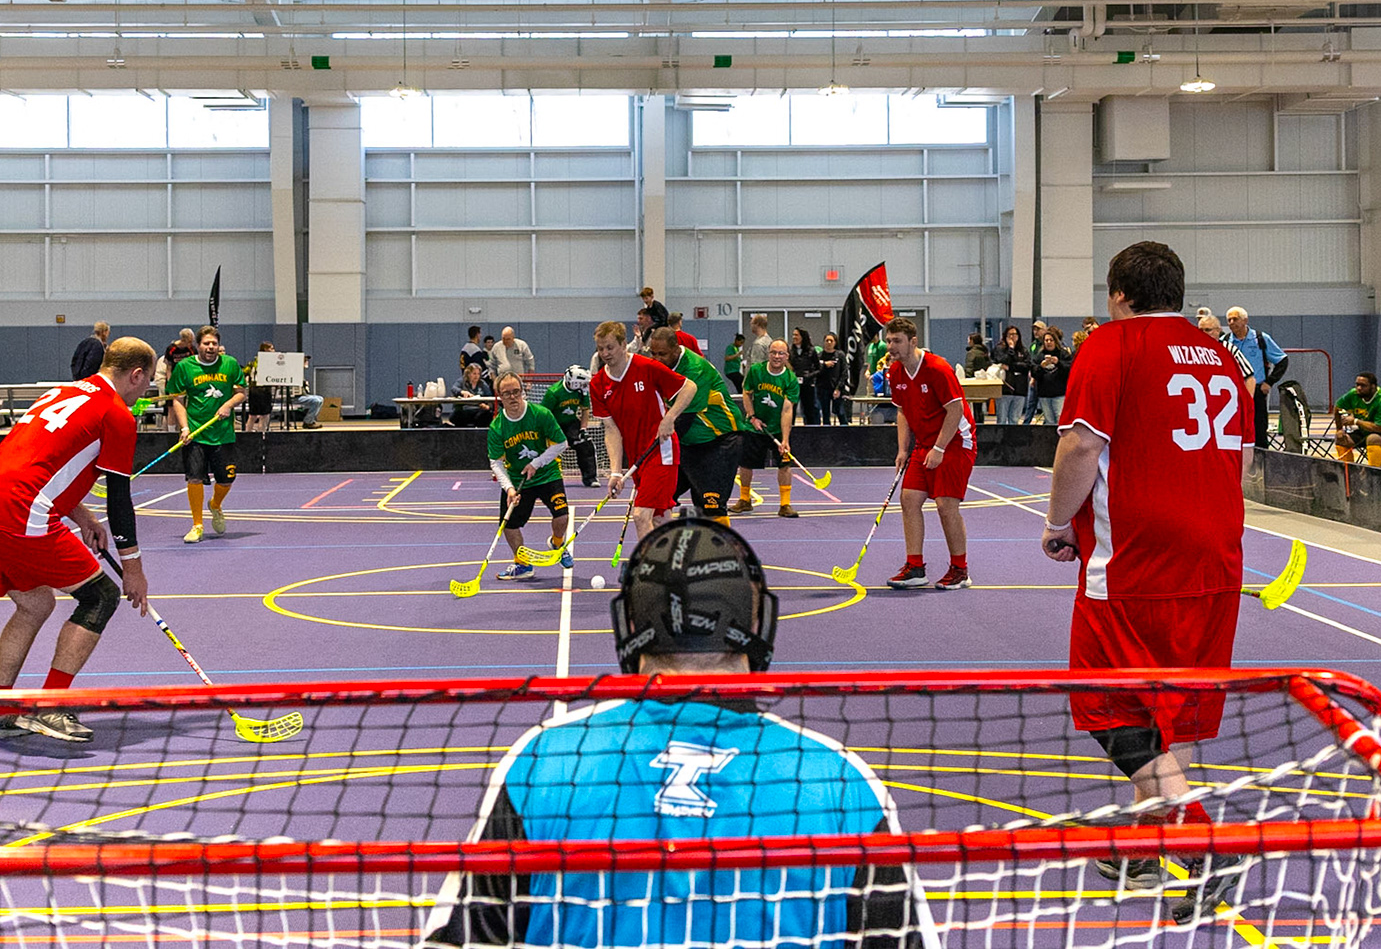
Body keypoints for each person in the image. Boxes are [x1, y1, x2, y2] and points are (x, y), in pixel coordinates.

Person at [422, 520, 937, 949]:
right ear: (758, 626)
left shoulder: (546, 762)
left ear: (629, 628)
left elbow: (462, 937)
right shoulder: (839, 781)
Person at [1040, 241, 1251, 925]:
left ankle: (1197, 842)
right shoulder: (1222, 355)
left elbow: (1079, 446)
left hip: (1136, 559)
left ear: (1118, 295)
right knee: (1175, 705)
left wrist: (1059, 521)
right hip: (1215, 557)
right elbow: (1241, 460)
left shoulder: (1112, 345)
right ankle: (1140, 841)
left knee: (1106, 703)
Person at [0, 337, 157, 743]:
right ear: (135, 375)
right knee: (100, 596)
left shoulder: (63, 392)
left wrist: (81, 513)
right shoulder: (117, 414)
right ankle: (51, 706)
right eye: (149, 382)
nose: (147, 391)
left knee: (35, 604)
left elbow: (39, 457)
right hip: (22, 512)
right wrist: (133, 569)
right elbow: (120, 500)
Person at [882, 317, 974, 592]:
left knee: (946, 505)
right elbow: (902, 411)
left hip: (955, 441)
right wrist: (902, 449)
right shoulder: (895, 372)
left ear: (913, 341)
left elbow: (955, 410)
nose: (891, 346)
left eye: (896, 341)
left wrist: (939, 448)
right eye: (888, 340)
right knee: (909, 499)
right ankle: (915, 567)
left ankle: (960, 569)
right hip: (924, 443)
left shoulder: (937, 368)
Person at [590, 320, 695, 541]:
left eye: (610, 347)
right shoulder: (598, 384)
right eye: (600, 349)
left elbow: (689, 387)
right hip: (637, 457)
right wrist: (616, 472)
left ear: (623, 344)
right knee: (660, 518)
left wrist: (669, 417)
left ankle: (647, 569)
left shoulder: (646, 367)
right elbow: (612, 431)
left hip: (661, 450)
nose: (605, 353)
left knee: (641, 515)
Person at [649, 327, 750, 526]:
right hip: (690, 443)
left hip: (720, 440)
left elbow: (683, 421)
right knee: (656, 499)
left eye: (663, 354)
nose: (657, 359)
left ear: (676, 350)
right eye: (653, 354)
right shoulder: (657, 368)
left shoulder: (695, 370)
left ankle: (721, 554)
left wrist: (651, 451)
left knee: (711, 507)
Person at [487, 371, 574, 583]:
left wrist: (536, 463)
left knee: (562, 516)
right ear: (500, 396)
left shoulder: (541, 414)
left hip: (547, 474)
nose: (513, 397)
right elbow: (496, 463)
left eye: (516, 391)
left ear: (523, 391)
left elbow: (562, 444)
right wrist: (509, 488)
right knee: (509, 525)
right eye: (507, 393)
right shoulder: (497, 427)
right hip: (518, 480)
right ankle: (522, 564)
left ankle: (557, 543)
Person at [167, 325, 246, 544]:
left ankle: (216, 505)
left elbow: (241, 392)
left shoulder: (229, 364)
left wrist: (229, 404)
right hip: (195, 433)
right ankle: (197, 525)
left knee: (227, 479)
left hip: (222, 433)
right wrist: (184, 428)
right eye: (206, 343)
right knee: (194, 478)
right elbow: (178, 400)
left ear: (218, 345)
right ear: (197, 346)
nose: (210, 347)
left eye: (214, 343)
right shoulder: (185, 367)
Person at [738, 337, 800, 517]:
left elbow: (787, 410)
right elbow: (747, 393)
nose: (777, 356)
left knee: (784, 464)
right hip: (755, 426)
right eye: (773, 352)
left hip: (778, 427)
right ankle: (744, 500)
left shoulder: (790, 379)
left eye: (781, 353)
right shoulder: (756, 371)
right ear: (768, 354)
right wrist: (752, 416)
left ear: (787, 356)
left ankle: (785, 505)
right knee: (746, 463)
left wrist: (785, 440)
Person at [1224, 307, 1287, 450]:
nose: (1232, 323)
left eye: (1235, 319)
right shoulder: (1225, 341)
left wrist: (1269, 381)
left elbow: (1282, 360)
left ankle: (1261, 465)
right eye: (1229, 320)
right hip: (1233, 393)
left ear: (1245, 320)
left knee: (1259, 429)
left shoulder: (1260, 339)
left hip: (1257, 391)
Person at [1331, 372, 1381, 467]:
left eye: (1363, 386)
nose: (1359, 388)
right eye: (1357, 385)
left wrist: (1356, 421)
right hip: (1369, 430)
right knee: (1342, 439)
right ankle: (1348, 472)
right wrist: (1339, 429)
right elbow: (1337, 407)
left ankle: (1375, 473)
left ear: (1373, 387)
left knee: (1373, 438)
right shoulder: (1353, 394)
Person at [543, 364, 598, 487]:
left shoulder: (581, 392)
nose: (585, 386)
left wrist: (583, 429)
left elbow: (585, 410)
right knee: (546, 450)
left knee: (585, 444)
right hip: (554, 424)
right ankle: (545, 478)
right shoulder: (553, 393)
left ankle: (590, 478)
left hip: (571, 423)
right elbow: (544, 415)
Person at [992, 325, 1030, 426]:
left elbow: (1026, 366)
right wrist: (1011, 348)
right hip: (1005, 389)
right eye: (1010, 335)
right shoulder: (1000, 349)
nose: (1012, 337)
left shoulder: (1023, 351)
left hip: (1020, 390)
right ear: (1005, 336)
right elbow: (1003, 360)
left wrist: (1010, 367)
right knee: (1002, 420)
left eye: (1015, 334)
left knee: (1015, 420)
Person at [1032, 327, 1070, 425]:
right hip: (1044, 394)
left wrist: (1058, 363)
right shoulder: (1040, 355)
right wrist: (1041, 366)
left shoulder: (1063, 354)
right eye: (1046, 340)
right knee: (1049, 421)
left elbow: (1069, 370)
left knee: (1059, 418)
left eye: (1051, 340)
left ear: (1055, 341)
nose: (1048, 342)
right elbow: (1034, 372)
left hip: (1059, 393)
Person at [790, 328, 822, 426]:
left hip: (807, 384)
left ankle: (810, 431)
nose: (794, 337)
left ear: (802, 337)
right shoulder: (791, 351)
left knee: (809, 410)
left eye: (796, 335)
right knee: (792, 408)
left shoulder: (811, 351)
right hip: (794, 384)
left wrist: (809, 376)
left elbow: (819, 368)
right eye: (793, 335)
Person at [244, 339, 275, 433]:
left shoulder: (253, 361)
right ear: (266, 349)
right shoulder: (266, 362)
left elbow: (245, 372)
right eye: (272, 348)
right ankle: (261, 434)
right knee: (264, 415)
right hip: (262, 390)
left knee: (253, 415)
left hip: (254, 390)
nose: (274, 350)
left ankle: (248, 433)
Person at [451, 362, 495, 428]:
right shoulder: (462, 381)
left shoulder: (482, 384)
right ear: (468, 374)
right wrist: (462, 392)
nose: (476, 376)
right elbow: (454, 389)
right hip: (464, 409)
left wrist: (487, 406)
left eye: (478, 374)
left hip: (478, 409)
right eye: (474, 373)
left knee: (486, 415)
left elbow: (489, 396)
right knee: (458, 415)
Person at [816, 332, 843, 425]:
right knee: (825, 414)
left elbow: (844, 373)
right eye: (827, 340)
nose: (829, 342)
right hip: (823, 389)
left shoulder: (840, 355)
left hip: (836, 389)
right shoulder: (819, 356)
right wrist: (824, 364)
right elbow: (816, 370)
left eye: (831, 340)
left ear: (835, 342)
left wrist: (838, 388)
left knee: (841, 413)